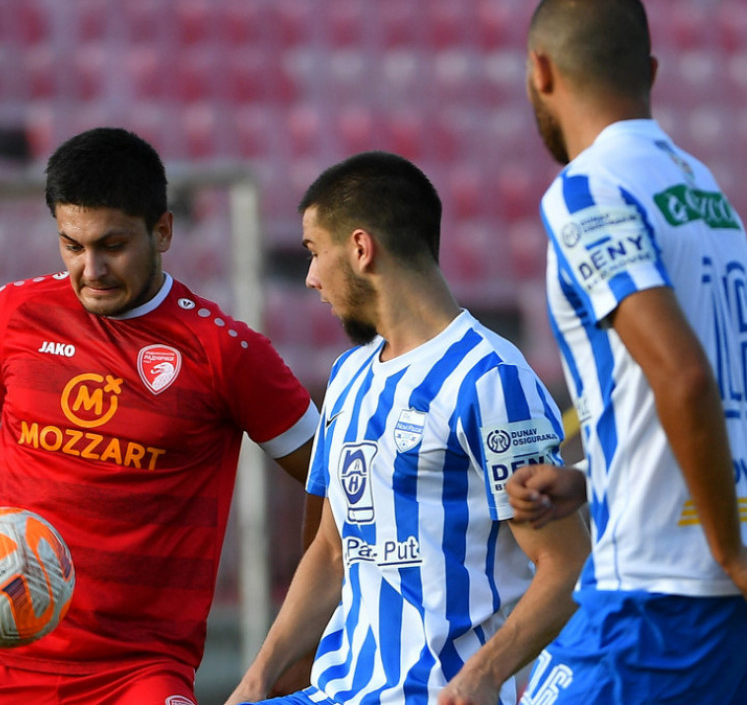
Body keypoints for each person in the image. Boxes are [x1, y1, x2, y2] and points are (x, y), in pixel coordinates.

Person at [0, 127, 321, 704]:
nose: (91, 269)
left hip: (136, 673)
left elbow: (332, 479)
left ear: (162, 230)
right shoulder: (14, 316)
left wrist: (309, 634)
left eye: (112, 246)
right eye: (72, 246)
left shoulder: (224, 352)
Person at [508, 0, 747, 704]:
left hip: (665, 588)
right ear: (649, 72)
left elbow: (684, 376)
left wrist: (721, 549)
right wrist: (596, 477)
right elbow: (735, 386)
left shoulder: (590, 190)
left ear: (542, 72)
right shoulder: (706, 195)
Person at [225, 151, 590, 705]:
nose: (311, 278)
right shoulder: (348, 374)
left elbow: (566, 565)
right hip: (337, 690)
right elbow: (330, 551)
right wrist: (257, 678)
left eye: (314, 252)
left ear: (360, 248)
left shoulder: (490, 380)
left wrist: (483, 676)